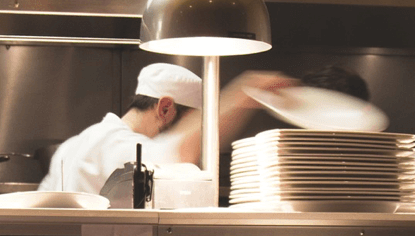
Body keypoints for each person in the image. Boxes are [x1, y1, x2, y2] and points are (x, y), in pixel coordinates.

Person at [38, 63, 292, 194]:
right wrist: (246, 92)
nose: (194, 132)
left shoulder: (72, 145)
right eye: (191, 122)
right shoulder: (117, 145)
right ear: (166, 109)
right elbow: (177, 152)